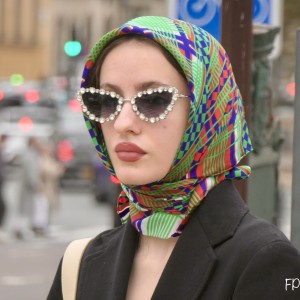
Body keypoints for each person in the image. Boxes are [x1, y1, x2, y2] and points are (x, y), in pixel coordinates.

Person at [47, 16, 300, 300]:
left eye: (153, 99)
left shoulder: (265, 260)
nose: (122, 123)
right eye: (106, 101)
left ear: (206, 112)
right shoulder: (81, 263)